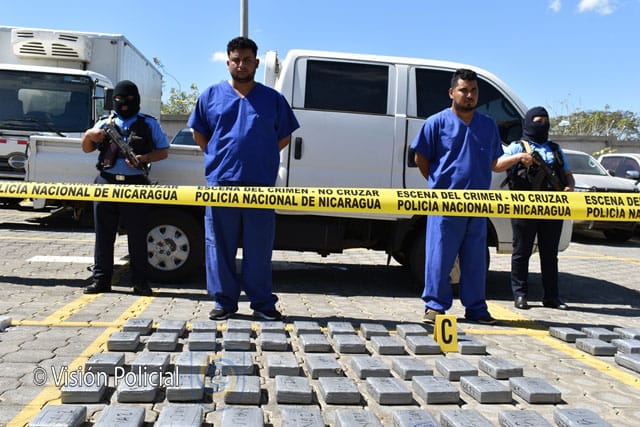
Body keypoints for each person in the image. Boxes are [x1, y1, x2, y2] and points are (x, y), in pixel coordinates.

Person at [188, 37, 300, 321]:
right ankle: (224, 302)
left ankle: (262, 303)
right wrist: (219, 156)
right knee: (219, 245)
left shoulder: (273, 100)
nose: (241, 65)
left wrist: (259, 155)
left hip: (260, 185)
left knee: (259, 247)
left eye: (247, 60)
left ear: (256, 63)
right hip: (221, 183)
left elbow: (284, 136)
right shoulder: (211, 96)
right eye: (236, 59)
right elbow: (200, 134)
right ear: (228, 62)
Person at [411, 68, 530, 325]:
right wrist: (437, 182)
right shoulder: (436, 123)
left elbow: (495, 163)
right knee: (439, 256)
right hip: (444, 204)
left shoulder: (487, 125)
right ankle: (435, 307)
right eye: (464, 90)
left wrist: (518, 157)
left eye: (474, 91)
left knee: (475, 260)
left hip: (477, 204)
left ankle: (476, 309)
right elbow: (420, 157)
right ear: (452, 92)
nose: (469, 95)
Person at [81, 80, 169, 296]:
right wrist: (88, 136)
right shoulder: (104, 123)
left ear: (136, 100)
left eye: (128, 99)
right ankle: (101, 280)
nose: (123, 104)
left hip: (136, 184)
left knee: (138, 236)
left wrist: (145, 157)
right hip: (107, 182)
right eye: (119, 99)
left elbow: (164, 151)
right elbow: (86, 148)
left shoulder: (148, 124)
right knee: (103, 235)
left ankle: (139, 282)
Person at [503, 106, 575, 310]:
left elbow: (568, 173)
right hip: (524, 206)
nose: (542, 124)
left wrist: (569, 186)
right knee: (521, 252)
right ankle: (520, 295)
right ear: (527, 122)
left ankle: (552, 297)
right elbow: (497, 164)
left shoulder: (555, 149)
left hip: (553, 207)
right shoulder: (518, 146)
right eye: (537, 120)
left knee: (550, 254)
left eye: (545, 120)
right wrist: (519, 158)